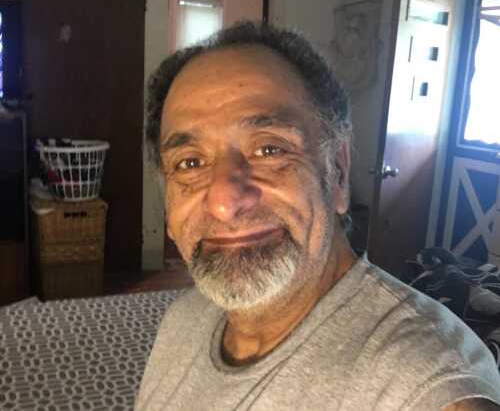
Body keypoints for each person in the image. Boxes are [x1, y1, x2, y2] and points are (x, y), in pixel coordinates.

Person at [135, 22, 500, 410]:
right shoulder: (182, 319)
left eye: (270, 150)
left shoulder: (427, 385)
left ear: (338, 173)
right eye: (190, 163)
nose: (224, 203)